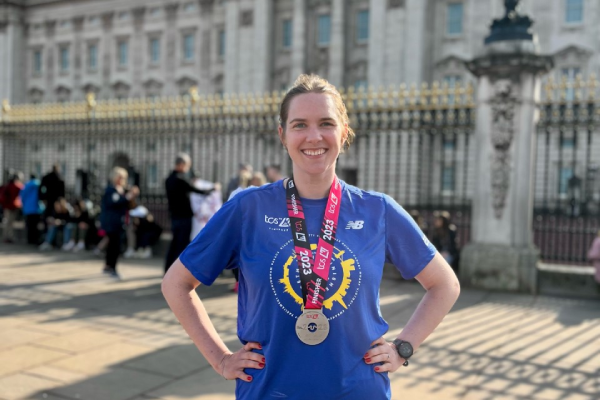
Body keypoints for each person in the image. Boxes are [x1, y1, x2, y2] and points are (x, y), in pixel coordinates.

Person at [162, 74, 460, 399]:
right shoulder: (248, 208)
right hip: (269, 390)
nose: (313, 136)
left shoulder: (377, 211)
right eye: (300, 124)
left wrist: (404, 347)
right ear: (283, 134)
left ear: (344, 132)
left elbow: (444, 284)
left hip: (358, 390)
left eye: (326, 123)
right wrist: (220, 359)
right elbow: (176, 283)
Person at [164, 153, 214, 273]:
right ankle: (179, 272)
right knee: (182, 245)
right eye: (187, 166)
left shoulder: (168, 179)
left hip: (174, 216)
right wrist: (213, 188)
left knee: (174, 244)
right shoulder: (180, 179)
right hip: (184, 217)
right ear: (181, 165)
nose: (187, 169)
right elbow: (198, 191)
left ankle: (167, 269)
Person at [100, 167, 139, 279]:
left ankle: (108, 265)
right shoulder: (111, 190)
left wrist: (131, 196)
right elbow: (114, 203)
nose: (121, 180)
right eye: (120, 177)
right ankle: (112, 267)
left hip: (120, 221)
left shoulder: (122, 190)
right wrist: (127, 197)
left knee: (113, 244)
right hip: (112, 221)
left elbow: (128, 204)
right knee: (114, 245)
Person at [39, 165, 65, 231]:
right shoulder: (59, 177)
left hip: (48, 199)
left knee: (47, 215)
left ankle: (47, 231)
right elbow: (62, 191)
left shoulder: (47, 177)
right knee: (54, 216)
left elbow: (41, 188)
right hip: (56, 200)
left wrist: (43, 198)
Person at [20, 174, 44, 245]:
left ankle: (30, 239)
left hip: (27, 209)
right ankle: (35, 239)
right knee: (35, 225)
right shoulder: (38, 184)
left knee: (29, 225)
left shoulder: (26, 185)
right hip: (36, 208)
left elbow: (22, 196)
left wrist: (24, 205)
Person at [0, 173, 24, 243]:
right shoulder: (16, 186)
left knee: (7, 222)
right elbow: (23, 189)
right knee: (10, 223)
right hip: (13, 206)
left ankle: (6, 236)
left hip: (6, 206)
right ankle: (9, 237)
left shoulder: (6, 186)